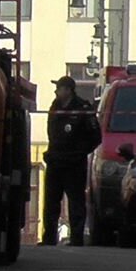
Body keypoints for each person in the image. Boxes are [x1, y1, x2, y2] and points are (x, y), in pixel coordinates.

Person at [41, 75, 101, 246]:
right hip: (55, 161)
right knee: (51, 202)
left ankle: (76, 238)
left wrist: (79, 153)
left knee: (75, 202)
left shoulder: (82, 108)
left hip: (74, 164)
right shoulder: (55, 106)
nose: (56, 91)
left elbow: (96, 137)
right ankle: (49, 238)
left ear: (68, 90)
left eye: (59, 88)